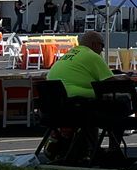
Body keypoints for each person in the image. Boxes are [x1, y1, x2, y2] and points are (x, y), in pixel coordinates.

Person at [46, 30, 132, 160]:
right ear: (94, 44)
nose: (102, 50)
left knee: (95, 105)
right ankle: (113, 151)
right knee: (120, 104)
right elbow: (110, 84)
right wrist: (125, 78)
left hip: (54, 107)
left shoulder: (68, 55)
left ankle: (93, 149)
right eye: (102, 46)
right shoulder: (92, 56)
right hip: (76, 106)